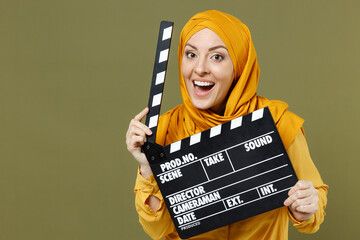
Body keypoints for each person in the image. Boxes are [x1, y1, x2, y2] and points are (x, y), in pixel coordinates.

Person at [126, 10, 328, 240]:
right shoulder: (164, 129)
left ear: (239, 64)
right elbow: (157, 229)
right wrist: (147, 168)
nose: (200, 68)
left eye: (217, 57)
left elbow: (313, 214)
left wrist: (305, 205)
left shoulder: (279, 123)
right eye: (191, 54)